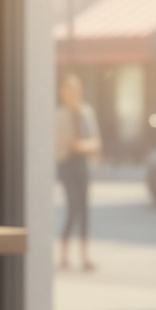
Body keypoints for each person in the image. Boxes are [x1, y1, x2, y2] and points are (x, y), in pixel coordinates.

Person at [55, 73, 100, 271]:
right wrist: (73, 146)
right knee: (73, 208)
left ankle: (84, 255)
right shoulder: (58, 115)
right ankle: (64, 253)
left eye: (76, 89)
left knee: (84, 209)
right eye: (69, 89)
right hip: (66, 164)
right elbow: (60, 144)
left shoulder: (86, 113)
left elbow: (96, 141)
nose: (73, 93)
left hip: (83, 163)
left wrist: (81, 146)